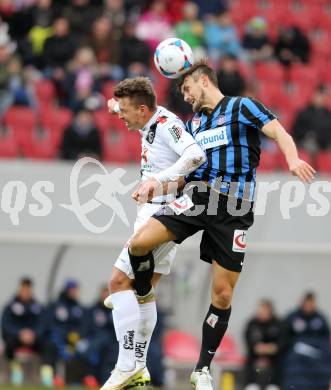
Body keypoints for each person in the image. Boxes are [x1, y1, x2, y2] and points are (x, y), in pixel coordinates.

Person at [126, 60, 315, 390]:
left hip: (235, 209)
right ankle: (143, 296)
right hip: (199, 196)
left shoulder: (242, 107)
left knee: (223, 294)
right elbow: (186, 173)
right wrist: (155, 185)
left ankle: (202, 369)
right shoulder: (194, 124)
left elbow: (278, 131)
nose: (185, 97)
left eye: (187, 89)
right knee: (139, 244)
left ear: (202, 81)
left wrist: (293, 158)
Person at [100, 76, 206, 390]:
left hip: (163, 214)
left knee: (118, 283)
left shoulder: (167, 125)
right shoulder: (146, 119)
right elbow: (122, 108)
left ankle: (126, 365)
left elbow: (195, 156)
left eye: (126, 112)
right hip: (154, 211)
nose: (121, 116)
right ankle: (140, 368)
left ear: (144, 109)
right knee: (144, 291)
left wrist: (157, 181)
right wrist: (114, 105)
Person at [281, 291, 331, 390]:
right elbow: (285, 338)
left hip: (316, 361)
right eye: (307, 303)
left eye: (311, 303)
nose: (309, 306)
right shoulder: (292, 318)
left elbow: (325, 341)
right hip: (296, 360)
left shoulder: (320, 318)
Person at [1, 277, 43, 385]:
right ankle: (13, 371)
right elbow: (5, 324)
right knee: (9, 343)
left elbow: (42, 324)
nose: (26, 292)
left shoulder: (37, 306)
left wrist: (33, 333)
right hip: (17, 337)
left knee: (47, 345)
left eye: (28, 289)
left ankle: (42, 374)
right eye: (24, 289)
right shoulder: (11, 306)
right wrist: (20, 333)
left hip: (33, 338)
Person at [244, 300, 281, 390]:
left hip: (273, 370)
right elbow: (250, 344)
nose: (261, 313)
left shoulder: (278, 324)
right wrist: (264, 348)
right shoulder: (252, 324)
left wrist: (269, 348)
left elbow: (280, 345)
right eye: (260, 310)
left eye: (265, 310)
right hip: (253, 370)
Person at [292, 85, 331, 153]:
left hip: (322, 145)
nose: (319, 98)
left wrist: (319, 138)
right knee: (308, 146)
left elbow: (328, 134)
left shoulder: (328, 115)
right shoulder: (304, 112)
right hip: (304, 143)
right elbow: (296, 130)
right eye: (318, 95)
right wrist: (307, 135)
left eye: (322, 96)